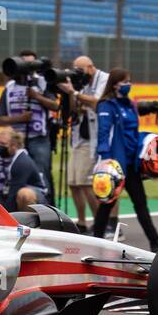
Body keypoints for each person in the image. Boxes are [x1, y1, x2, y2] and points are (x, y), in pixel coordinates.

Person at [92, 68, 158, 250]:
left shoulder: (130, 104)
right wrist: (106, 161)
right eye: (124, 82)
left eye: (129, 81)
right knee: (107, 205)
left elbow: (133, 133)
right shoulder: (106, 105)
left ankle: (155, 241)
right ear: (115, 84)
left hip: (132, 164)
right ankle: (94, 242)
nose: (128, 85)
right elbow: (103, 134)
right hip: (115, 165)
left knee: (141, 203)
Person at [0, 49, 59, 202]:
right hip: (17, 141)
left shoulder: (43, 82)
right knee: (16, 174)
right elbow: (0, 119)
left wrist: (36, 96)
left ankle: (48, 211)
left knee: (42, 175)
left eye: (31, 63)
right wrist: (20, 118)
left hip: (39, 139)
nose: (27, 68)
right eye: (24, 63)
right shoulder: (10, 87)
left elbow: (56, 106)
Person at [64, 55, 107, 228]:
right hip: (78, 137)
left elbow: (97, 101)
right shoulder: (79, 81)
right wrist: (70, 94)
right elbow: (74, 108)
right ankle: (82, 221)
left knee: (85, 182)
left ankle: (99, 223)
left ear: (91, 67)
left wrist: (74, 92)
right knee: (73, 183)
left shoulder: (104, 79)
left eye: (80, 70)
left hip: (94, 138)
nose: (78, 73)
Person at [0, 128, 49, 221]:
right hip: (4, 195)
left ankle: (28, 224)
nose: (0, 147)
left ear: (14, 146)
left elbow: (14, 192)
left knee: (24, 194)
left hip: (31, 196)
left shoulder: (22, 160)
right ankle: (3, 224)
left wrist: (6, 215)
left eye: (3, 144)